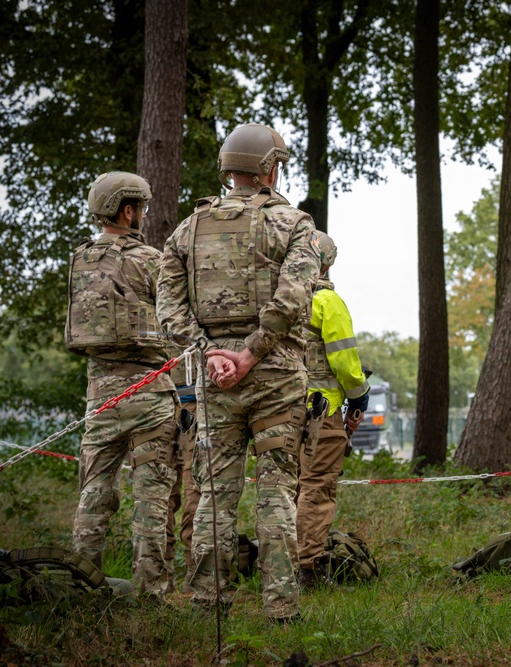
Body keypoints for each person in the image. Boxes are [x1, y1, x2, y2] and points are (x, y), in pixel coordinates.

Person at [157, 123, 320, 622]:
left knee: (213, 494)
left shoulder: (188, 229)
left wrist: (208, 353)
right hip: (275, 377)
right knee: (276, 492)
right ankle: (281, 609)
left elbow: (167, 306)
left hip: (214, 379)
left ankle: (207, 604)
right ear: (271, 167)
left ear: (230, 170)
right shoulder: (295, 225)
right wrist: (251, 352)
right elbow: (295, 295)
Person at [65, 171, 177, 597]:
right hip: (149, 392)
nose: (144, 215)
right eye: (142, 208)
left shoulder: (80, 259)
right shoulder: (149, 259)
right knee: (151, 498)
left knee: (94, 491)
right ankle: (152, 593)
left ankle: (80, 585)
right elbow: (175, 317)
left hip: (100, 395)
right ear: (128, 210)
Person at [295, 231, 370, 590]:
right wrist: (359, 395)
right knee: (316, 490)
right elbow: (344, 361)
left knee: (284, 490)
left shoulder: (278, 302)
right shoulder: (327, 302)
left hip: (277, 412)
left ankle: (277, 568)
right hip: (320, 415)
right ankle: (309, 571)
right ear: (326, 262)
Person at [164, 362, 200, 592]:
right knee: (195, 486)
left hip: (159, 401)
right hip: (194, 403)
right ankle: (192, 572)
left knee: (161, 490)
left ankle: (163, 574)